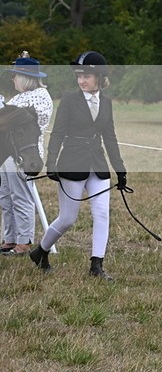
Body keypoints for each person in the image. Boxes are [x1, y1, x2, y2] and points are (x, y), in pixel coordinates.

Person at [29, 51, 126, 280]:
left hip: (97, 163)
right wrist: (51, 162)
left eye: (87, 75)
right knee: (68, 218)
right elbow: (58, 133)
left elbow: (110, 137)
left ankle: (96, 266)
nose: (81, 80)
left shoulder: (107, 103)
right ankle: (40, 251)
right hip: (71, 162)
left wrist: (120, 169)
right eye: (79, 75)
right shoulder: (69, 100)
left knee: (102, 214)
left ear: (100, 77)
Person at [0, 53, 53, 256]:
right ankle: (10, 238)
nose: (12, 79)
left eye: (15, 76)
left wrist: (4, 110)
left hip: (24, 154)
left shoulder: (41, 97)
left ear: (24, 77)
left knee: (21, 197)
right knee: (6, 196)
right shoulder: (18, 97)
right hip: (7, 153)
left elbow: (20, 119)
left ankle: (23, 242)